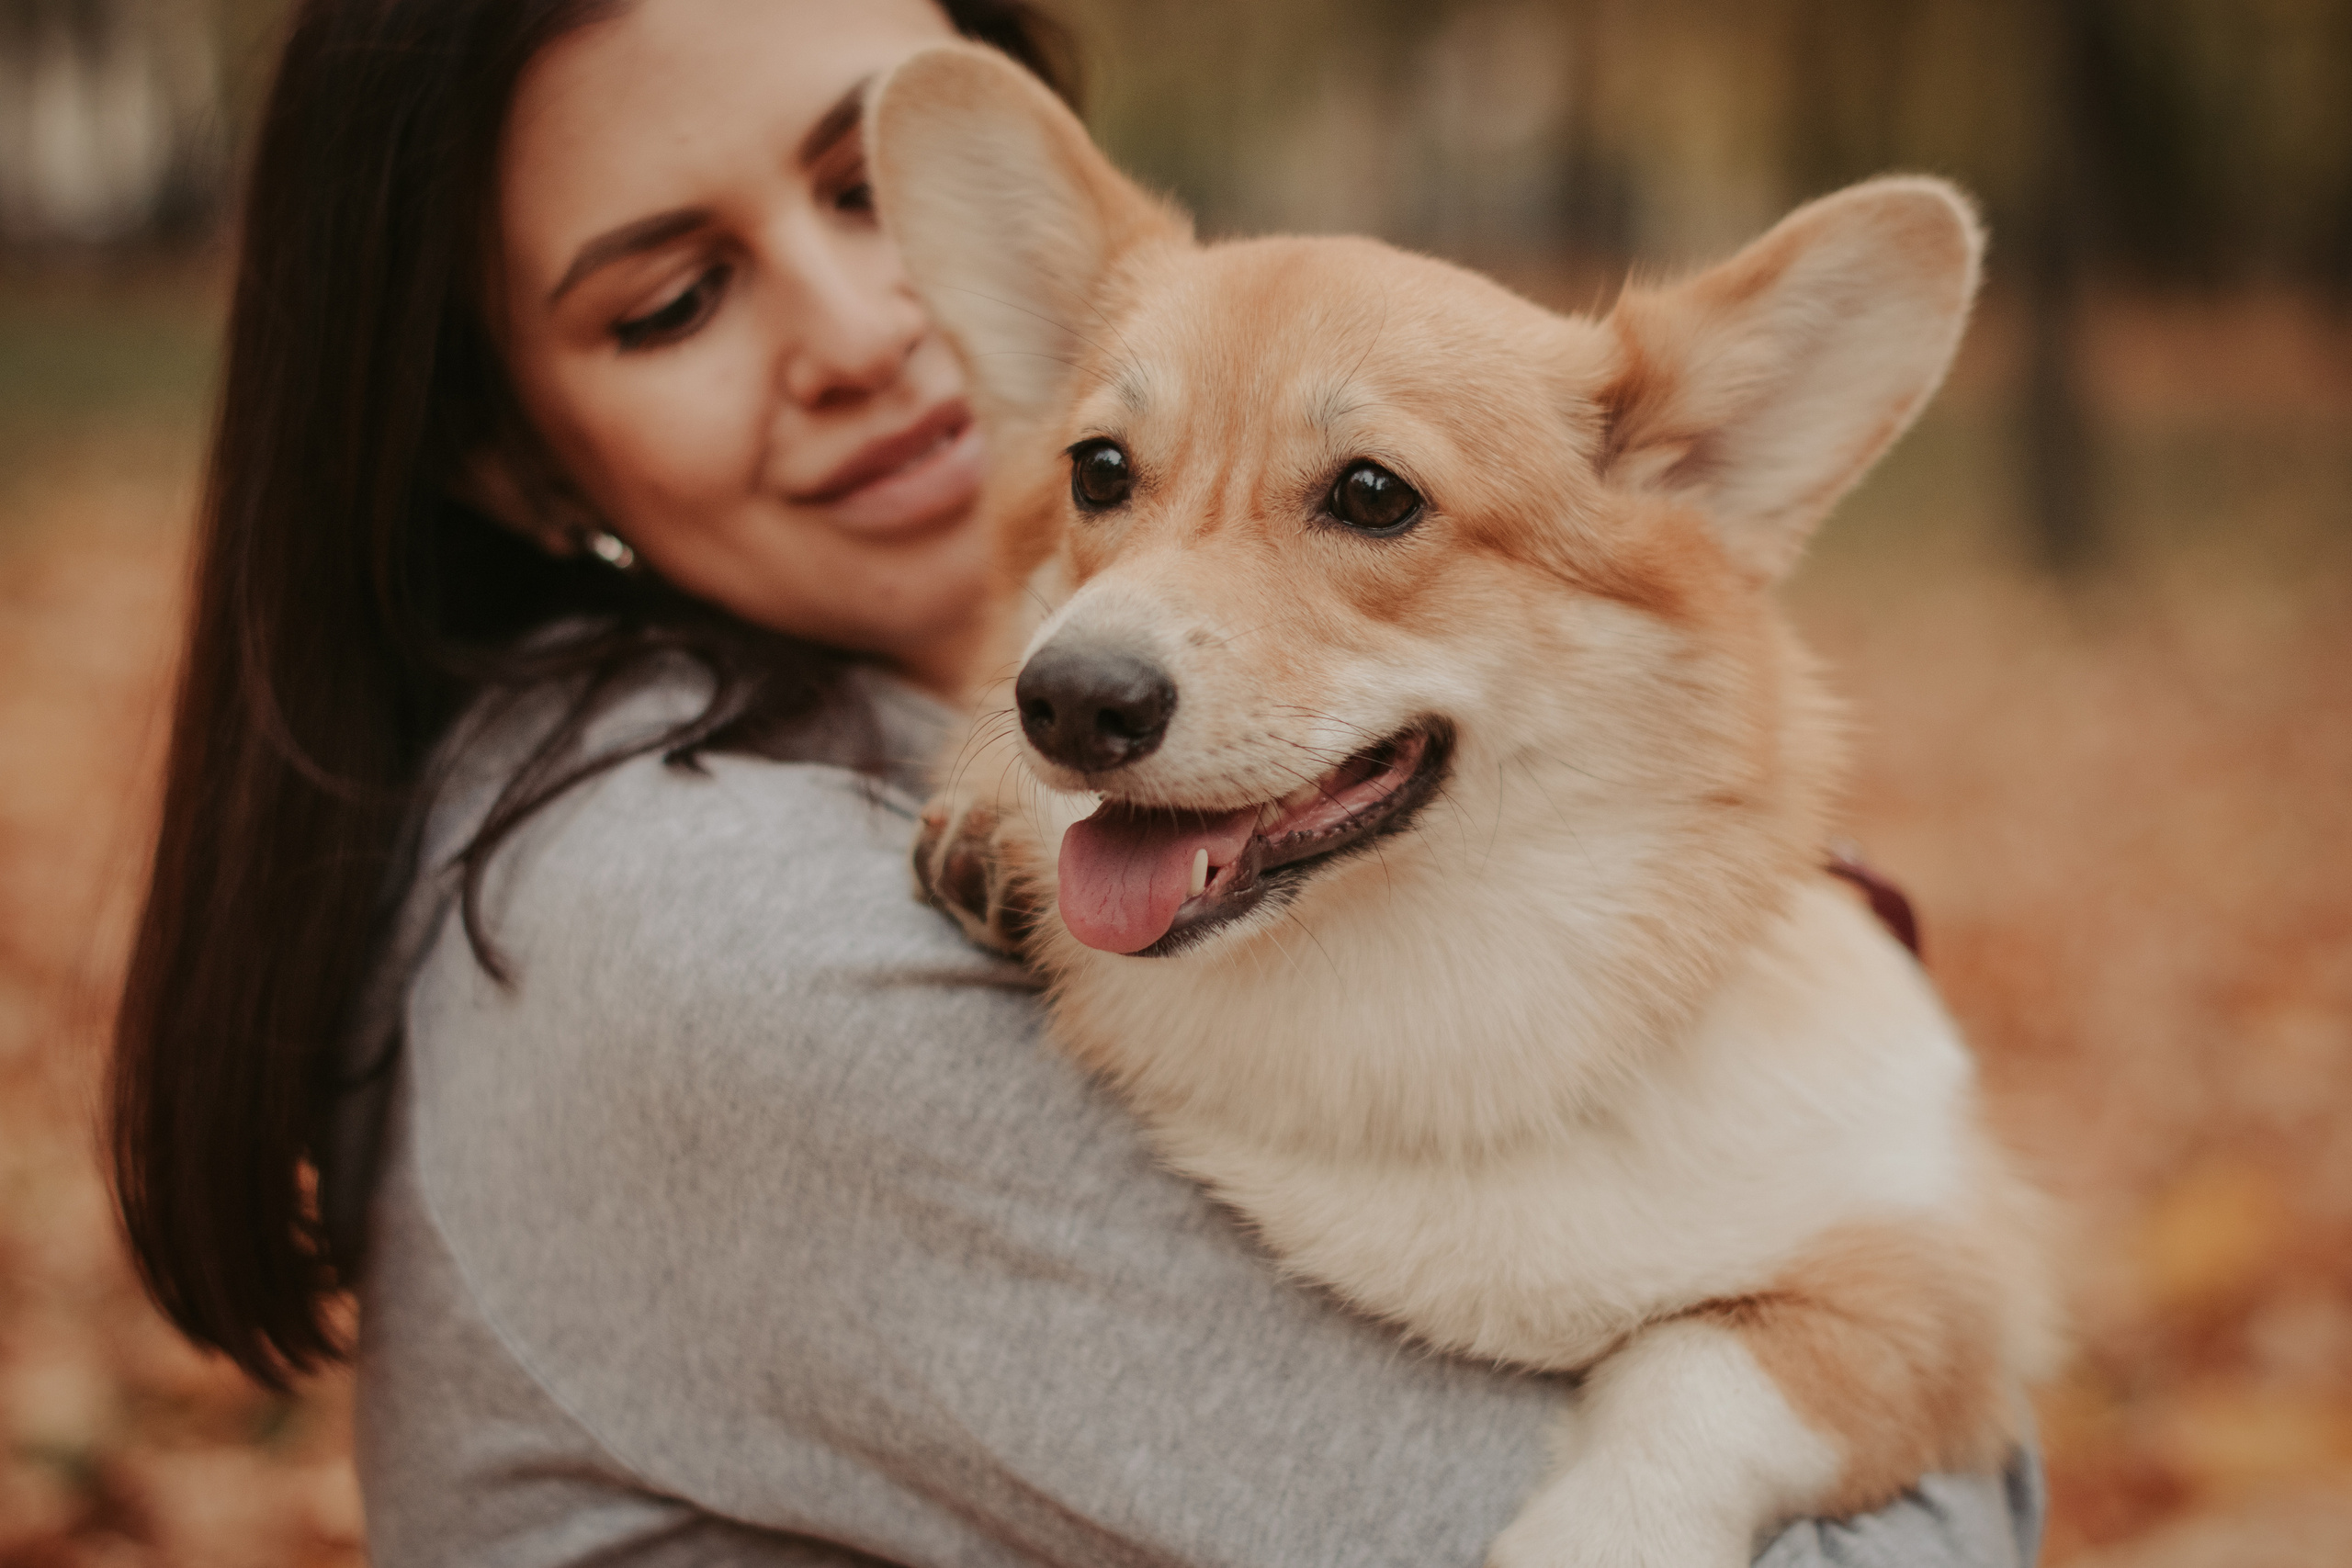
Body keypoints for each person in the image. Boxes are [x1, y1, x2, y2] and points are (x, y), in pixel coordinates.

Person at [107, 0, 2049, 1562]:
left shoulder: (845, 756)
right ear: (509, 460)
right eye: (669, 302)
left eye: (862, 194)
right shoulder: (688, 949)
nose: (872, 336)